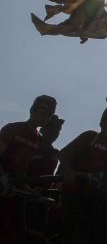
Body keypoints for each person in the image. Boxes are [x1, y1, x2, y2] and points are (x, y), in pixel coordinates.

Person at [58, 106, 107, 244]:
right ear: (102, 123)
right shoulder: (90, 136)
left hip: (97, 200)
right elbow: (63, 153)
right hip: (75, 197)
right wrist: (70, 173)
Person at [0, 95, 57, 244]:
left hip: (13, 191)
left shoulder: (38, 140)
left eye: (49, 114)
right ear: (33, 110)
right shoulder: (13, 128)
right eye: (43, 111)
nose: (45, 116)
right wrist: (2, 177)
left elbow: (21, 170)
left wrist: (30, 191)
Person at [24, 115, 64, 243]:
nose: (55, 133)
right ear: (43, 130)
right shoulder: (31, 145)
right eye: (52, 129)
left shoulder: (55, 153)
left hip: (43, 199)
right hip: (24, 194)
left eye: (57, 130)